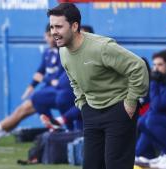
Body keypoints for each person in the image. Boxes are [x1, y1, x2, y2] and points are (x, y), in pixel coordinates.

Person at [48, 3, 149, 169]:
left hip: (119, 109)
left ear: (74, 26)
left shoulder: (102, 47)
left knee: (116, 165)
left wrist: (131, 101)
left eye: (59, 26)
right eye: (52, 27)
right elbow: (74, 80)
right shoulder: (63, 50)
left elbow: (138, 67)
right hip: (91, 112)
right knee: (91, 165)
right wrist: (82, 104)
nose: (54, 32)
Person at [0, 24, 66, 145]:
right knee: (22, 111)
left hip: (56, 92)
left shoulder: (64, 52)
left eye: (51, 36)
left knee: (23, 110)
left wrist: (46, 80)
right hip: (46, 91)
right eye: (47, 36)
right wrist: (31, 87)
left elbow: (56, 80)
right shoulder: (47, 52)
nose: (49, 39)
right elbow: (40, 72)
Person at [135, 50, 166, 163]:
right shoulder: (162, 81)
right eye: (154, 65)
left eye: (160, 65)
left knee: (149, 121)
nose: (156, 69)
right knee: (142, 122)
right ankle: (152, 156)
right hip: (160, 122)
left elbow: (157, 106)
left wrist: (153, 82)